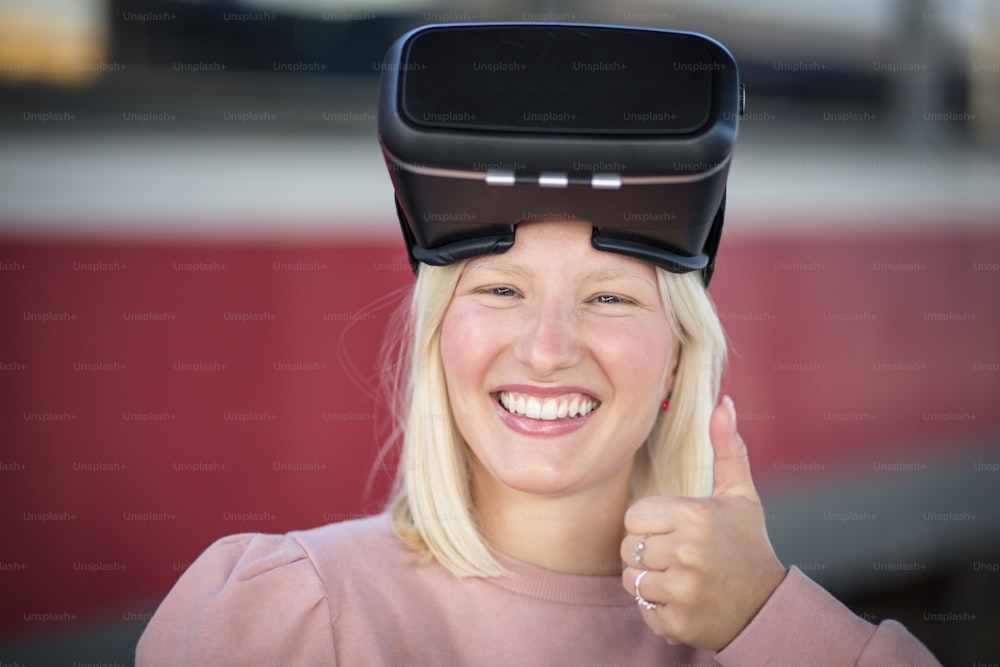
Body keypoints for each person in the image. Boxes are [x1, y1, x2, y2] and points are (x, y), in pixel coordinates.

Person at [136, 24, 942, 666]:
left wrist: (772, 620)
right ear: (439, 341)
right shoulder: (288, 619)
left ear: (676, 360)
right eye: (501, 288)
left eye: (609, 297)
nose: (549, 348)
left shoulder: (755, 636)